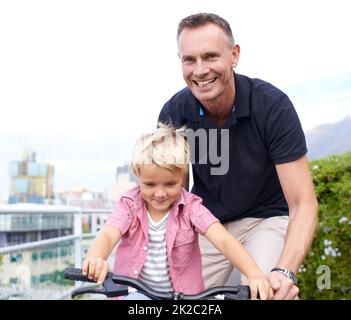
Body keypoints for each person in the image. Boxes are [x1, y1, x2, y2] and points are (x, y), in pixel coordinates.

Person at [157, 13, 318, 300]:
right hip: (207, 224)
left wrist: (286, 271)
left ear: (234, 55)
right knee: (171, 298)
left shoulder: (273, 106)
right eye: (189, 59)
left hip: (265, 219)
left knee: (265, 293)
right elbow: (174, 199)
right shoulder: (174, 113)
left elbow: (302, 203)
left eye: (210, 56)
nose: (200, 70)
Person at [82, 124, 273, 300]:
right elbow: (108, 234)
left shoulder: (191, 208)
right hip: (135, 294)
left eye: (170, 184)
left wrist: (254, 274)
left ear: (182, 176)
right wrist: (96, 258)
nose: (159, 193)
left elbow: (223, 240)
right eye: (149, 184)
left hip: (183, 297)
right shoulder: (129, 205)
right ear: (138, 176)